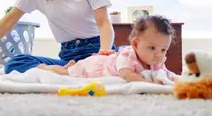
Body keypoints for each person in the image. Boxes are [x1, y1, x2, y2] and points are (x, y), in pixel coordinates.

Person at [38, 15, 176, 84]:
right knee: (66, 73)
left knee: (70, 69)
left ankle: (71, 65)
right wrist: (149, 83)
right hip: (93, 67)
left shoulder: (155, 59)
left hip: (102, 62)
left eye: (163, 50)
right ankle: (45, 67)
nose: (158, 54)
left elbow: (165, 73)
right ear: (135, 45)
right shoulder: (127, 56)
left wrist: (175, 79)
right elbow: (127, 75)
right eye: (152, 47)